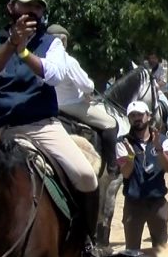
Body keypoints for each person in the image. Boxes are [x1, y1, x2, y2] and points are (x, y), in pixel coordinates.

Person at [0, 0, 102, 257]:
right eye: (26, 6)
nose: (33, 11)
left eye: (39, 7)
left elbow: (54, 75)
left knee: (85, 175)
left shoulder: (51, 44)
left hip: (41, 125)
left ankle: (87, 243)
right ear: (12, 8)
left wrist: (23, 52)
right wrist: (11, 45)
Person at [46, 24, 120, 174]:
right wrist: (89, 89)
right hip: (71, 105)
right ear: (63, 41)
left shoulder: (41, 59)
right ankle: (112, 166)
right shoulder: (68, 61)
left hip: (49, 105)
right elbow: (86, 85)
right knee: (111, 123)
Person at [116, 100, 168, 252]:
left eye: (140, 114)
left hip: (157, 203)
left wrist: (159, 150)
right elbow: (126, 173)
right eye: (133, 115)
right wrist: (130, 157)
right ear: (129, 119)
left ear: (148, 116)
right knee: (132, 252)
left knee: (161, 252)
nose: (137, 118)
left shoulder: (162, 140)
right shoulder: (122, 143)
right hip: (134, 204)